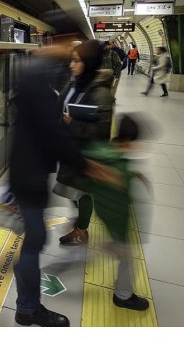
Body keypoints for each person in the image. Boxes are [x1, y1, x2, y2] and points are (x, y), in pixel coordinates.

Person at [9, 39, 122, 327]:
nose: (70, 60)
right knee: (34, 243)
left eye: (77, 58)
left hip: (28, 172)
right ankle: (28, 308)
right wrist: (88, 165)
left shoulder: (44, 74)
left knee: (34, 241)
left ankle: (27, 306)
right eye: (69, 52)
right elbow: (54, 132)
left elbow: (60, 128)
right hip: (29, 175)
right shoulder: (40, 75)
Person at [67, 114, 150, 311]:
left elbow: (84, 179)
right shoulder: (119, 168)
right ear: (129, 140)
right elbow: (122, 203)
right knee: (127, 258)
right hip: (116, 220)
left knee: (120, 252)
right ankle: (123, 296)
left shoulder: (101, 150)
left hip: (103, 212)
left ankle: (110, 247)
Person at [52, 40, 115, 246]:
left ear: (89, 62)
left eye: (77, 61)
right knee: (73, 189)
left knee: (83, 192)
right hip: (70, 147)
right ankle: (80, 219)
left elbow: (102, 131)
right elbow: (60, 104)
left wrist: (73, 123)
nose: (71, 65)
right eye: (71, 60)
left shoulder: (101, 93)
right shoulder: (75, 83)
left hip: (86, 152)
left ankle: (81, 230)